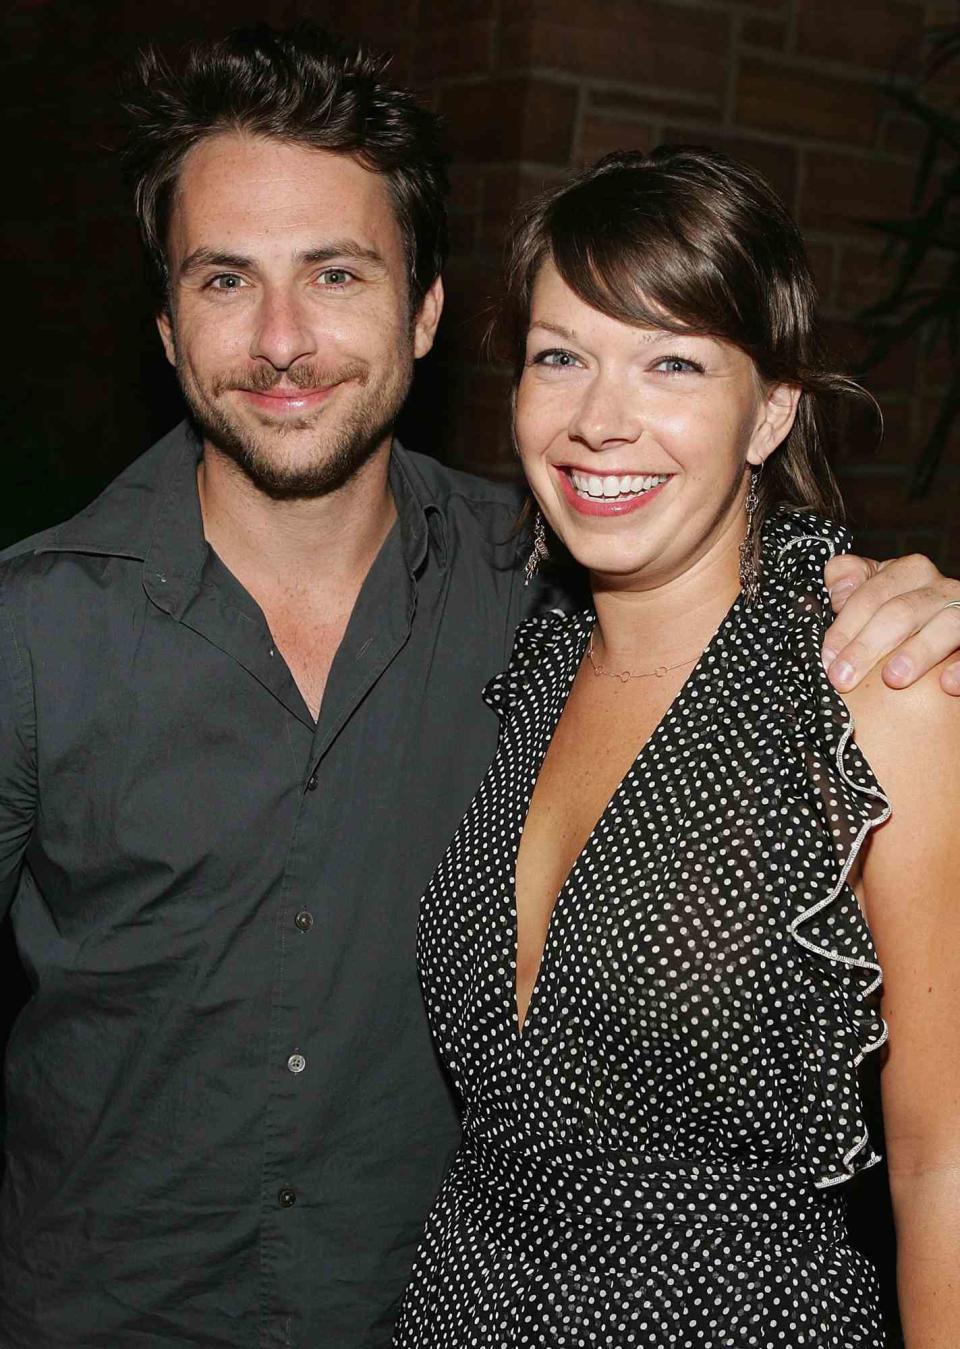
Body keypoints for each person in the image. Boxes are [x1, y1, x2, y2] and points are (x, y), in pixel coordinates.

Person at [0, 25, 957, 1349]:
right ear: (165, 327)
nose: (283, 339)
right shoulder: (32, 631)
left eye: (336, 274)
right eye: (227, 280)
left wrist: (924, 612)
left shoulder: (538, 591)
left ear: (427, 312)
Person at [394, 148, 960, 1347]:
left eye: (672, 361)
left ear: (771, 408)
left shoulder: (868, 688)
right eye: (561, 356)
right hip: (466, 1302)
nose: (601, 418)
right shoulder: (530, 669)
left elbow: (943, 1166)